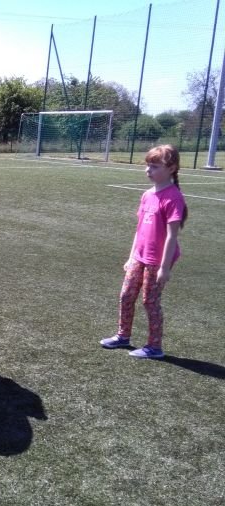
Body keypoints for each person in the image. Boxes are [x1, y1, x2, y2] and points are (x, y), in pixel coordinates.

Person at [99, 144, 188, 359]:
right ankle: (123, 336)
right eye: (148, 165)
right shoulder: (147, 195)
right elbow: (139, 230)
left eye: (155, 166)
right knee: (126, 295)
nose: (148, 170)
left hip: (157, 260)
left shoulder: (173, 197)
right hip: (139, 256)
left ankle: (154, 347)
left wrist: (165, 268)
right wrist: (131, 257)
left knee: (150, 301)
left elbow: (172, 236)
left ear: (171, 168)